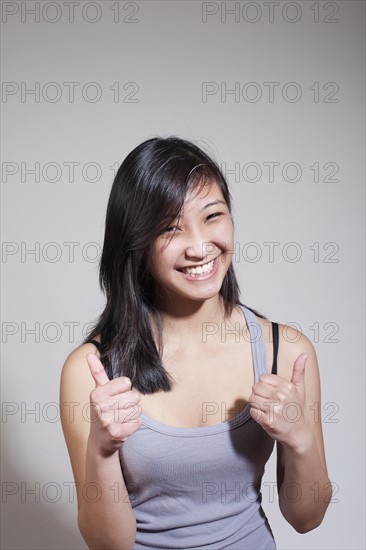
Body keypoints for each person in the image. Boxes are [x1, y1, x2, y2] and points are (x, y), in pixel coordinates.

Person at [60, 136, 331, 550]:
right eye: (171, 228)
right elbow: (107, 544)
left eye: (213, 216)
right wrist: (101, 452)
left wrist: (301, 438)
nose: (200, 246)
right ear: (136, 243)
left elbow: (307, 518)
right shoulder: (92, 372)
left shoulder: (286, 352)